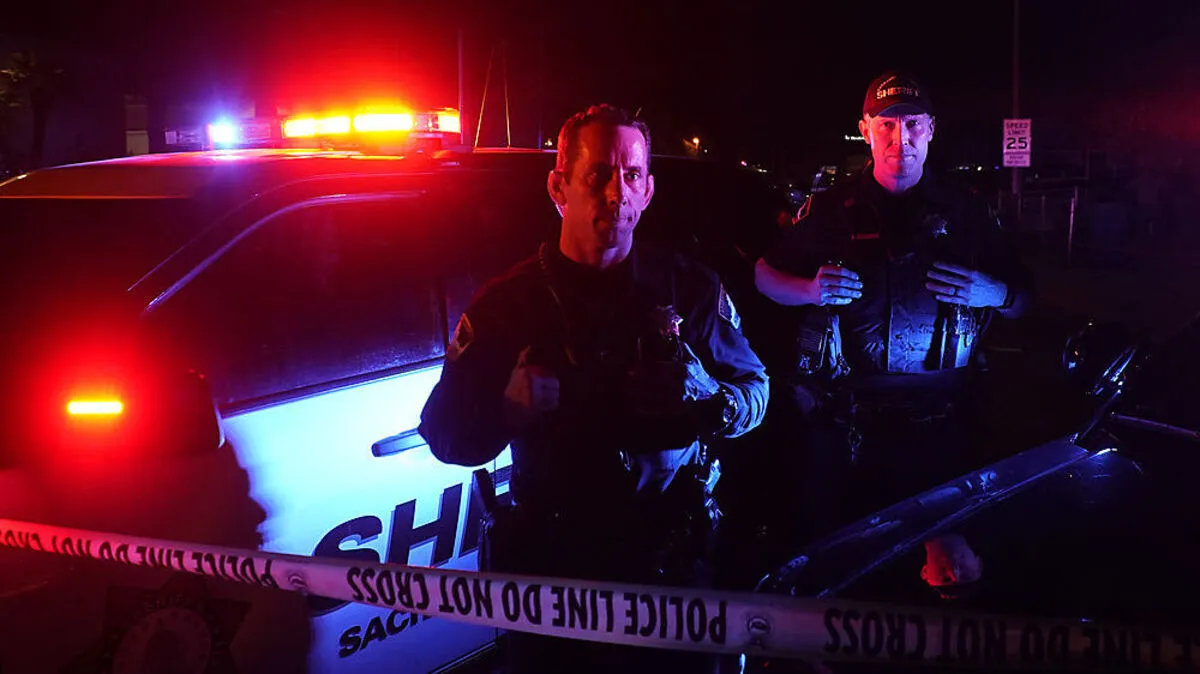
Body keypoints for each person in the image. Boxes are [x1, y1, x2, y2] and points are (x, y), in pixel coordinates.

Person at [419, 103, 769, 674]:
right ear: (558, 187)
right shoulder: (508, 305)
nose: (616, 193)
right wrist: (507, 411)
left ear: (648, 190)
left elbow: (756, 390)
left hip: (671, 573)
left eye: (631, 176)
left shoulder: (691, 290)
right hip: (557, 586)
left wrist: (710, 395)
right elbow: (443, 435)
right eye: (598, 175)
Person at [754, 71, 1032, 537]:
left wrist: (995, 293)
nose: (900, 138)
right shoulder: (830, 210)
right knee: (839, 553)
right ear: (865, 130)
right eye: (886, 124)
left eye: (913, 124)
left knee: (942, 553)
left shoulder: (968, 212)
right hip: (846, 427)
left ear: (931, 129)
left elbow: (1025, 300)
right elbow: (764, 276)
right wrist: (809, 290)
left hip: (945, 425)